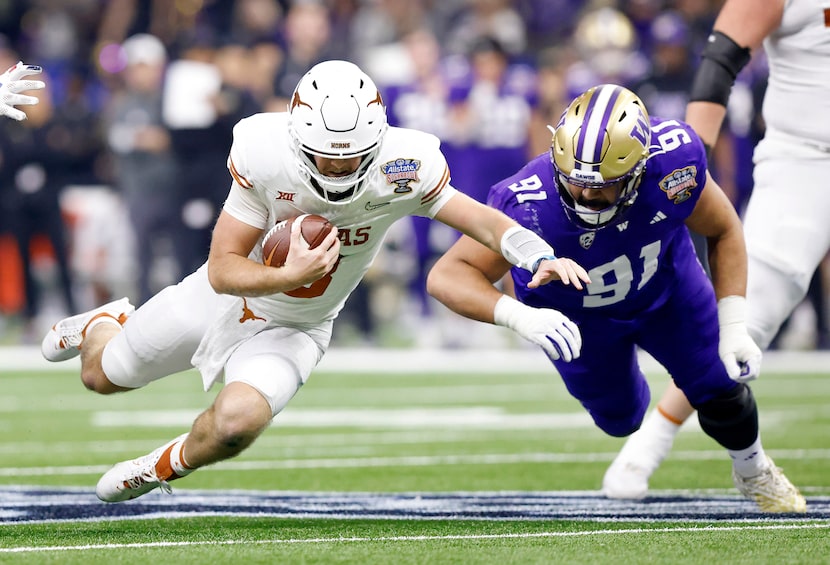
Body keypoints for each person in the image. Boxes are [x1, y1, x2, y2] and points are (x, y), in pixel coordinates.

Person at [40, 60, 589, 503]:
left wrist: (535, 253)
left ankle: (161, 466)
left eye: (350, 160)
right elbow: (222, 268)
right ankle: (106, 321)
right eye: (325, 159)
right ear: (299, 139)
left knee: (237, 424)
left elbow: (482, 220)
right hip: (217, 300)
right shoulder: (264, 150)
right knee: (101, 377)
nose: (337, 172)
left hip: (299, 327)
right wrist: (288, 272)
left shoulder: (405, 163)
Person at [426, 83, 806, 513]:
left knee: (719, 384)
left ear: (639, 168)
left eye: (603, 185)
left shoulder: (673, 163)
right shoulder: (529, 203)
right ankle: (637, 425)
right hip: (577, 320)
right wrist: (518, 317)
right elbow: (447, 275)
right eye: (574, 181)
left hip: (667, 290)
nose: (585, 195)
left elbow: (722, 228)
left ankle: (754, 468)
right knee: (621, 418)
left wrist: (734, 322)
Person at [603, 0, 830, 501]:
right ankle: (647, 450)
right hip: (808, 161)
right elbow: (721, 59)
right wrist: (691, 165)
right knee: (745, 318)